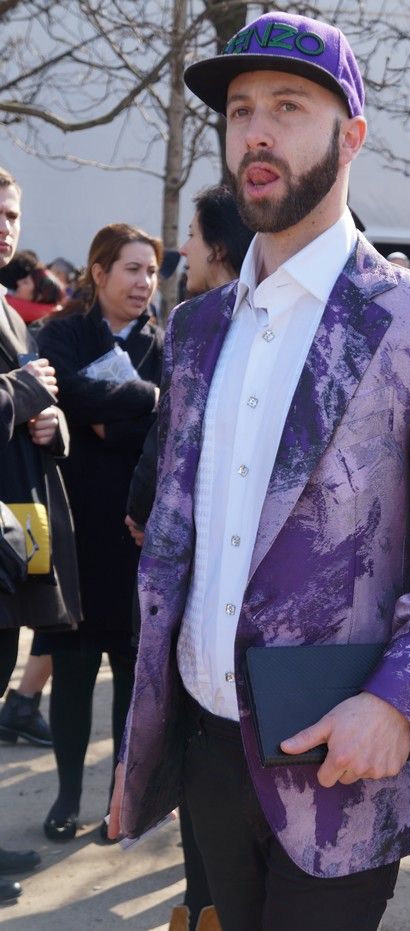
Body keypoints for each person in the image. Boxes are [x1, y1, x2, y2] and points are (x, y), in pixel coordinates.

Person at [109, 12, 410, 931]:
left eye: (289, 107)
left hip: (341, 756)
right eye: (241, 109)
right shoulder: (197, 331)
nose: (255, 130)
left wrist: (398, 702)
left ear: (350, 136)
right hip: (206, 743)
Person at [126, 185, 252, 931]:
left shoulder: (235, 329)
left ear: (218, 245)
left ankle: (204, 909)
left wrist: (146, 511)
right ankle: (200, 908)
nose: (184, 255)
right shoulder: (197, 326)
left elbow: (167, 442)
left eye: (192, 239)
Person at [34, 223, 164, 843]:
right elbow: (66, 395)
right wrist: (136, 405)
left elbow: (170, 422)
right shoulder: (62, 332)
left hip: (137, 533)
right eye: (132, 269)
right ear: (99, 271)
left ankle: (121, 800)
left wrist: (115, 417)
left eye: (151, 271)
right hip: (75, 525)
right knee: (74, 668)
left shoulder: (164, 342)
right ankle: (64, 796)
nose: (143, 283)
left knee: (130, 676)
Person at [0, 166, 82, 902]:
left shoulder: (10, 309)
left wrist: (50, 428)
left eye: (13, 214)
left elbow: (28, 412)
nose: (5, 226)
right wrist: (24, 392)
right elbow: (19, 390)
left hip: (13, 530)